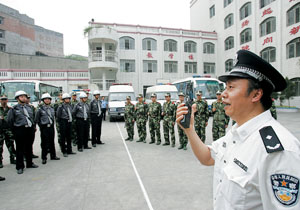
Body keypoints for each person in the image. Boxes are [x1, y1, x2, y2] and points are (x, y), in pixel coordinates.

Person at [176, 50, 300, 209]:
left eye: (231, 87)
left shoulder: (279, 151)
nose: (223, 95)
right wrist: (189, 129)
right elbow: (207, 157)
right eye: (225, 88)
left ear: (256, 94)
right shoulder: (236, 133)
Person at [7, 91, 38, 174]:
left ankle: (29, 163)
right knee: (20, 149)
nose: (24, 98)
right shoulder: (14, 109)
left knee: (29, 147)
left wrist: (33, 127)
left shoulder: (29, 108)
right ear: (17, 98)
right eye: (21, 96)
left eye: (24, 96)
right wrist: (15, 131)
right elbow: (10, 121)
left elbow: (33, 118)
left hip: (29, 129)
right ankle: (20, 166)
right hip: (20, 130)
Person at [35, 93, 60, 164]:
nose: (47, 100)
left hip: (51, 126)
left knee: (52, 141)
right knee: (44, 142)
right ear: (43, 100)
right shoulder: (40, 109)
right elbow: (37, 119)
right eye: (45, 99)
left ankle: (53, 155)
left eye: (48, 99)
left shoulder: (52, 108)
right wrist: (41, 126)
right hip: (44, 127)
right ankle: (44, 157)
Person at [0, 95, 16, 168]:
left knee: (11, 145)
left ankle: (12, 159)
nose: (4, 101)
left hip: (8, 130)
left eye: (5, 99)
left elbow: (13, 119)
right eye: (2, 99)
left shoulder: (10, 109)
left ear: (7, 100)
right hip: (0, 131)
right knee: (0, 147)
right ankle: (0, 162)